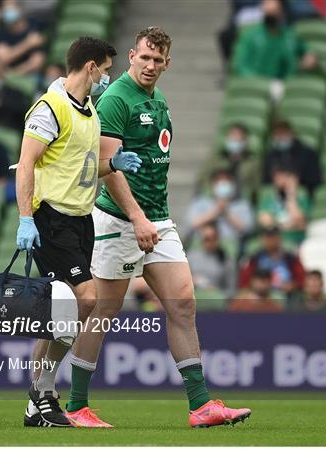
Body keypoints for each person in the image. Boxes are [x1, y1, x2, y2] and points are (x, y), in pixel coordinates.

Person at [65, 27, 251, 429]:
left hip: (158, 219)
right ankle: (76, 404)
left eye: (158, 60)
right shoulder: (116, 99)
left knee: (183, 303)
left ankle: (200, 405)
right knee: (103, 312)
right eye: (144, 57)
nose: (150, 66)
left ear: (168, 63)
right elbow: (107, 168)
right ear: (132, 56)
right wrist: (136, 217)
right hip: (120, 218)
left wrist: (151, 218)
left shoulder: (159, 97)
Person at [15, 37, 141, 428]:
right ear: (90, 66)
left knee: (63, 311)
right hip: (52, 218)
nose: (107, 76)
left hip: (80, 219)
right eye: (105, 69)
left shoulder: (88, 112)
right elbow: (25, 164)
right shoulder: (49, 108)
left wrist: (112, 164)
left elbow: (82, 167)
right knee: (85, 301)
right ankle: (44, 392)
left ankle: (37, 401)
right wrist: (25, 219)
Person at [232, 0, 316, 80]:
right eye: (268, 14)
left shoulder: (290, 36)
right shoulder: (249, 36)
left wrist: (308, 57)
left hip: (286, 84)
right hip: (258, 84)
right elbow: (241, 65)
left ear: (281, 13)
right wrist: (257, 81)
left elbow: (306, 51)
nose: (271, 16)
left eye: (275, 12)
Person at [187, 168, 255, 242]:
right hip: (203, 246)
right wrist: (215, 212)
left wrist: (226, 212)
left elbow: (247, 229)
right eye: (219, 180)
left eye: (227, 180)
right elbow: (191, 224)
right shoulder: (200, 202)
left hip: (232, 246)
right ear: (212, 184)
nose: (222, 184)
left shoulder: (242, 205)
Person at [239, 225, 305, 299]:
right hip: (261, 296)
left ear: (279, 238)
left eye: (273, 237)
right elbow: (245, 282)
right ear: (262, 239)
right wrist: (256, 286)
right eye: (267, 237)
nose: (270, 241)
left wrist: (293, 285)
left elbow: (302, 279)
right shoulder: (255, 258)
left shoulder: (290, 257)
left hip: (288, 296)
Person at [262, 120, 322, 198]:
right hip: (275, 195)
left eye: (283, 134)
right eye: (277, 135)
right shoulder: (270, 155)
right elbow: (265, 180)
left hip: (301, 195)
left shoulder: (308, 154)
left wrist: (294, 180)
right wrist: (278, 180)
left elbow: (315, 179)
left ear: (291, 133)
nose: (280, 138)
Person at [258, 164, 310, 247]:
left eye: (281, 176)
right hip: (273, 240)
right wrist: (286, 225)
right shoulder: (267, 193)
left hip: (295, 240)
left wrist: (291, 196)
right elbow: (264, 220)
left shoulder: (301, 193)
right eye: (275, 176)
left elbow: (300, 222)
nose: (277, 179)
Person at [0, 0, 46, 75]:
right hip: (5, 78)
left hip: (31, 76)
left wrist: (14, 73)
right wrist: (28, 44)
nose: (8, 9)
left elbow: (37, 61)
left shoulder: (35, 25)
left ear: (20, 8)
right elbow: (3, 58)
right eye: (5, 6)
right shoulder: (0, 33)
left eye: (11, 5)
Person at [187, 222, 237, 299]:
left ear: (217, 239)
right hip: (192, 298)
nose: (209, 242)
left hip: (215, 302)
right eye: (206, 239)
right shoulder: (191, 257)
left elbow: (231, 291)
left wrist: (216, 293)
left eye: (212, 238)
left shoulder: (226, 261)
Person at [220, 123, 259, 195]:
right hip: (216, 199)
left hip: (241, 199)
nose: (235, 138)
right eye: (232, 135)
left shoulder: (253, 162)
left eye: (238, 135)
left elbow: (256, 186)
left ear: (245, 140)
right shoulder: (217, 159)